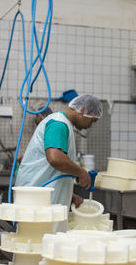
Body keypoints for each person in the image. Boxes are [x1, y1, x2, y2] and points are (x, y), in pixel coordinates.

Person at [15, 94, 102, 230]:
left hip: (40, 196)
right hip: (37, 200)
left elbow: (52, 171)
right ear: (83, 110)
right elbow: (55, 158)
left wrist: (68, 195)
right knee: (37, 243)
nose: (90, 125)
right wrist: (81, 172)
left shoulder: (63, 124)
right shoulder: (58, 124)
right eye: (92, 120)